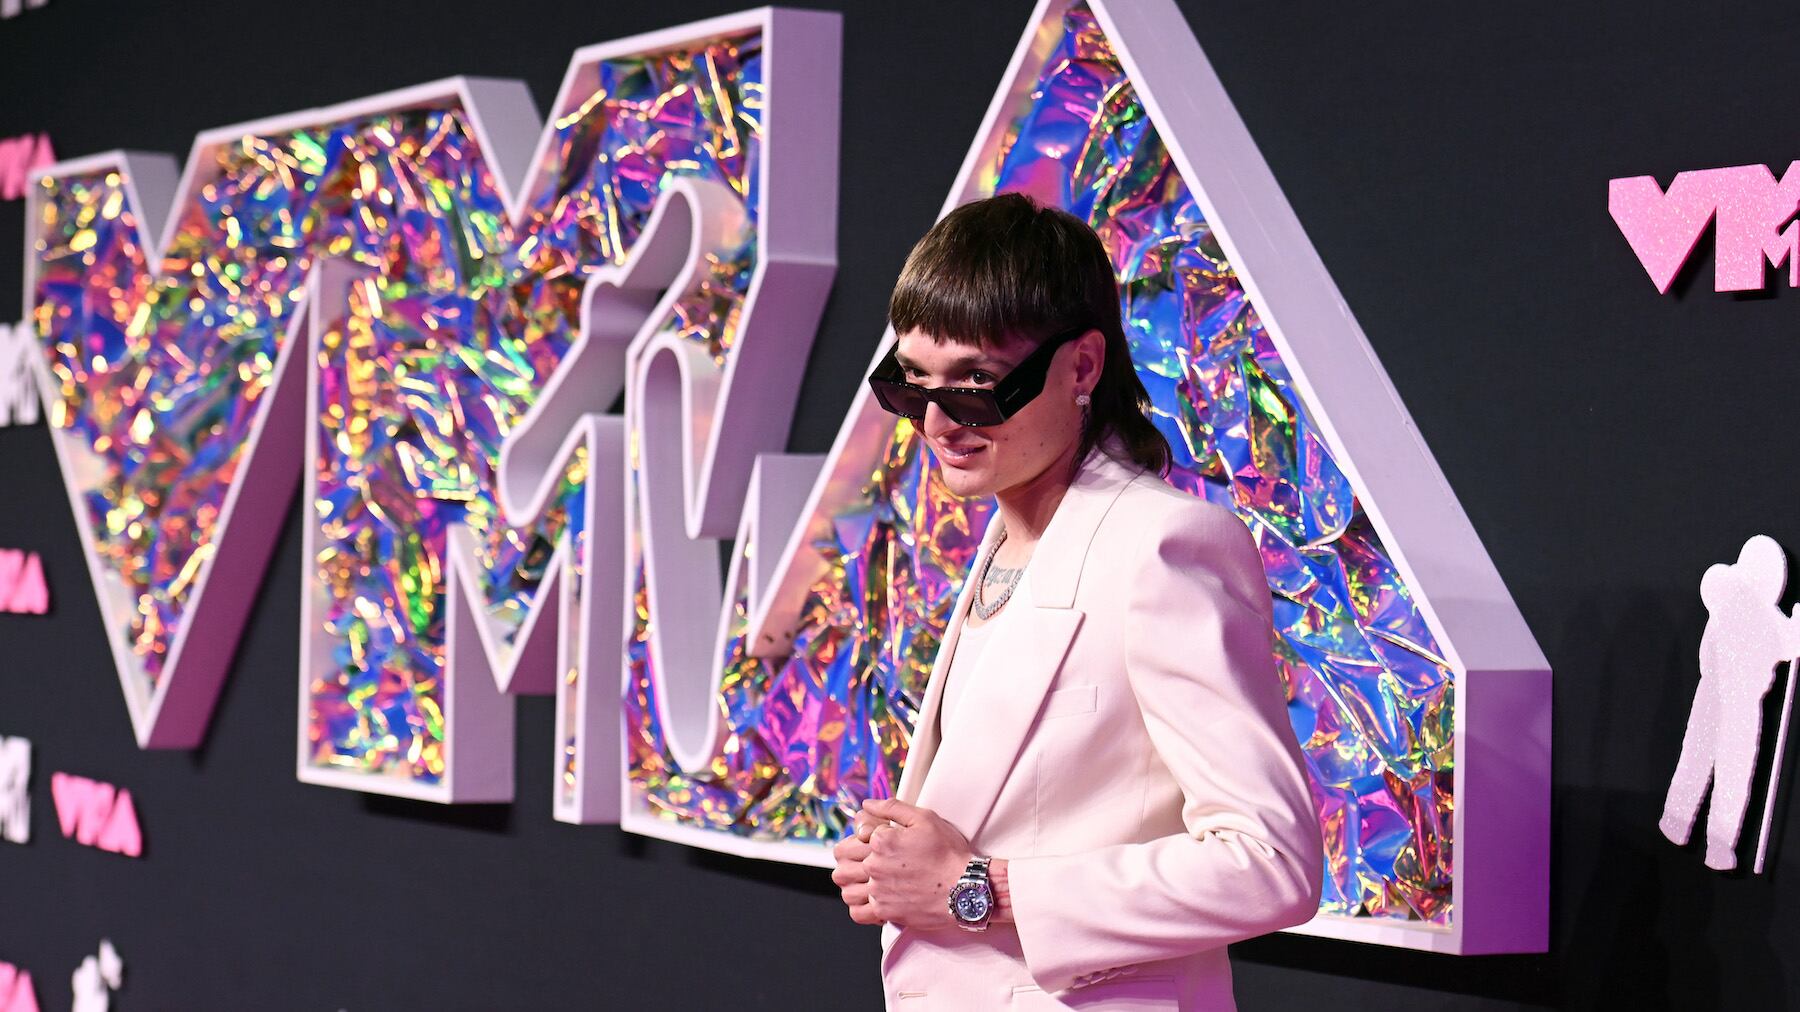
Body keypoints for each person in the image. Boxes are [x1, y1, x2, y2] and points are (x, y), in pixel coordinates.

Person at [830, 192, 1325, 1010]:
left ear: (1083, 367)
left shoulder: (1162, 547)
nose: (940, 423)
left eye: (978, 384)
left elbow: (1271, 862)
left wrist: (981, 890)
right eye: (912, 385)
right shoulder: (1007, 537)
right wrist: (897, 867)